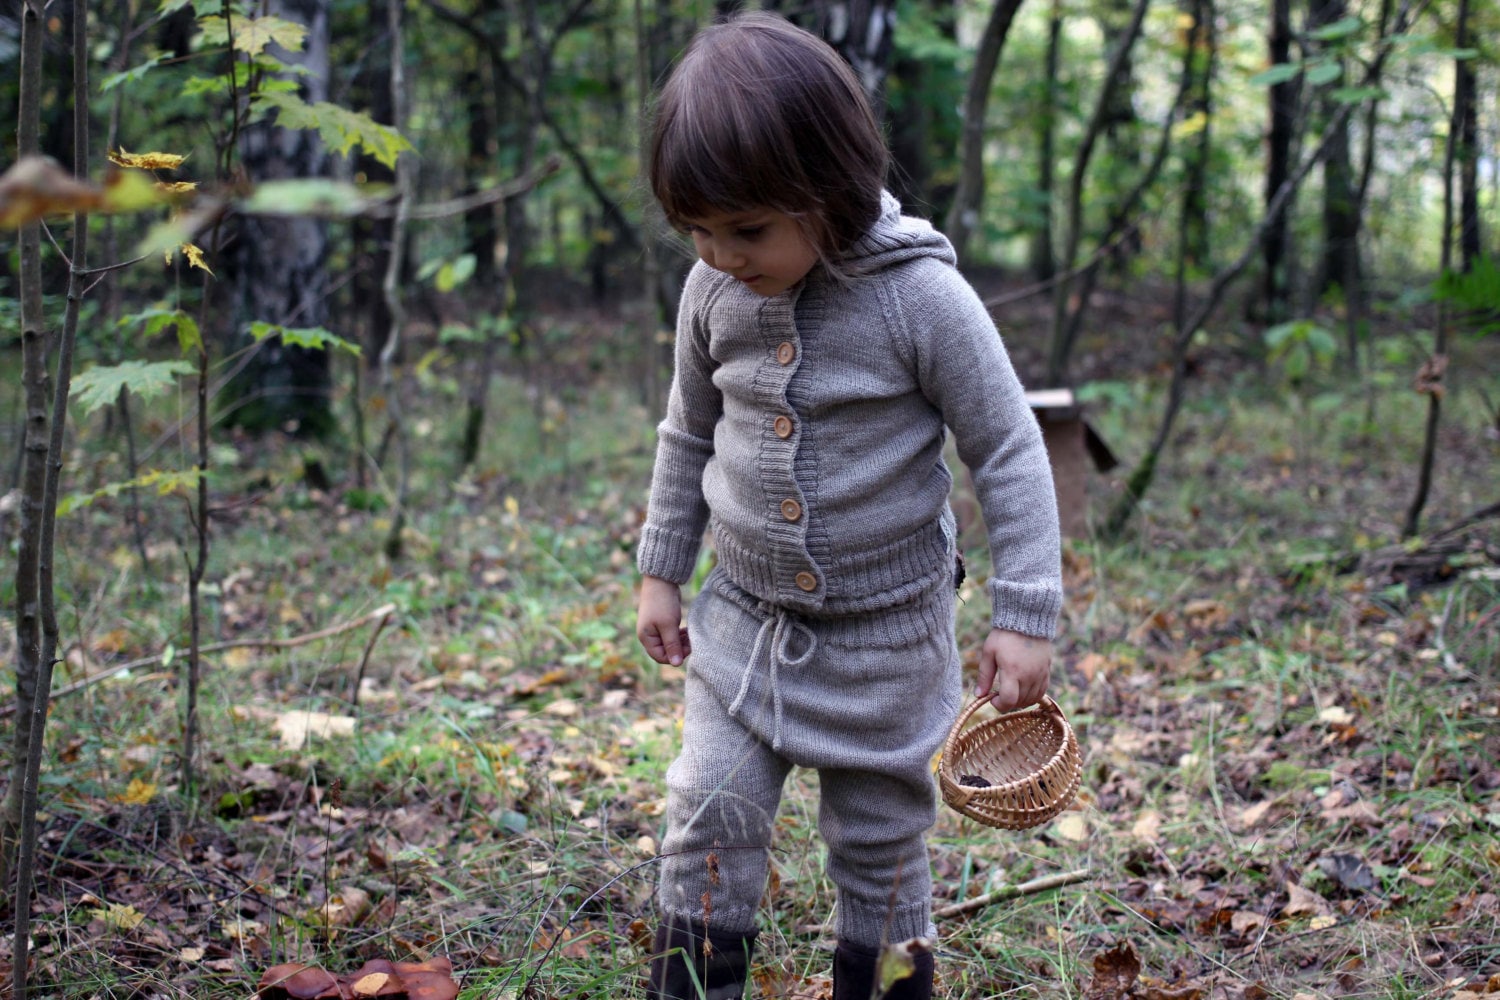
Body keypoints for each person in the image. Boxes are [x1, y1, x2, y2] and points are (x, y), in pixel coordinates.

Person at [634, 12, 1062, 999]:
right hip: (743, 622)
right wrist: (663, 569)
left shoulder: (919, 299)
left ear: (830, 189)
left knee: (880, 845)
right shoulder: (713, 293)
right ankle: (692, 985)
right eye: (696, 227)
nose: (719, 252)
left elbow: (1005, 445)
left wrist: (1025, 611)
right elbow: (686, 432)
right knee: (712, 806)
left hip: (887, 640)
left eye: (748, 228)